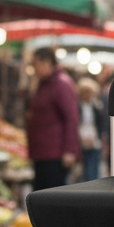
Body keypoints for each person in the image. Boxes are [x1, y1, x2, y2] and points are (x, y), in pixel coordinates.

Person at [26, 47, 79, 193]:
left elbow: (71, 118)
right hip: (42, 153)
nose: (34, 69)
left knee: (51, 197)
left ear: (47, 62)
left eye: (36, 64)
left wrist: (69, 151)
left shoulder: (61, 84)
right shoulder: (43, 84)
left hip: (54, 155)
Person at [76, 77, 103, 181]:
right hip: (81, 139)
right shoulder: (78, 107)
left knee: (94, 167)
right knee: (84, 168)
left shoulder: (96, 107)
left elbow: (98, 124)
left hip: (94, 138)